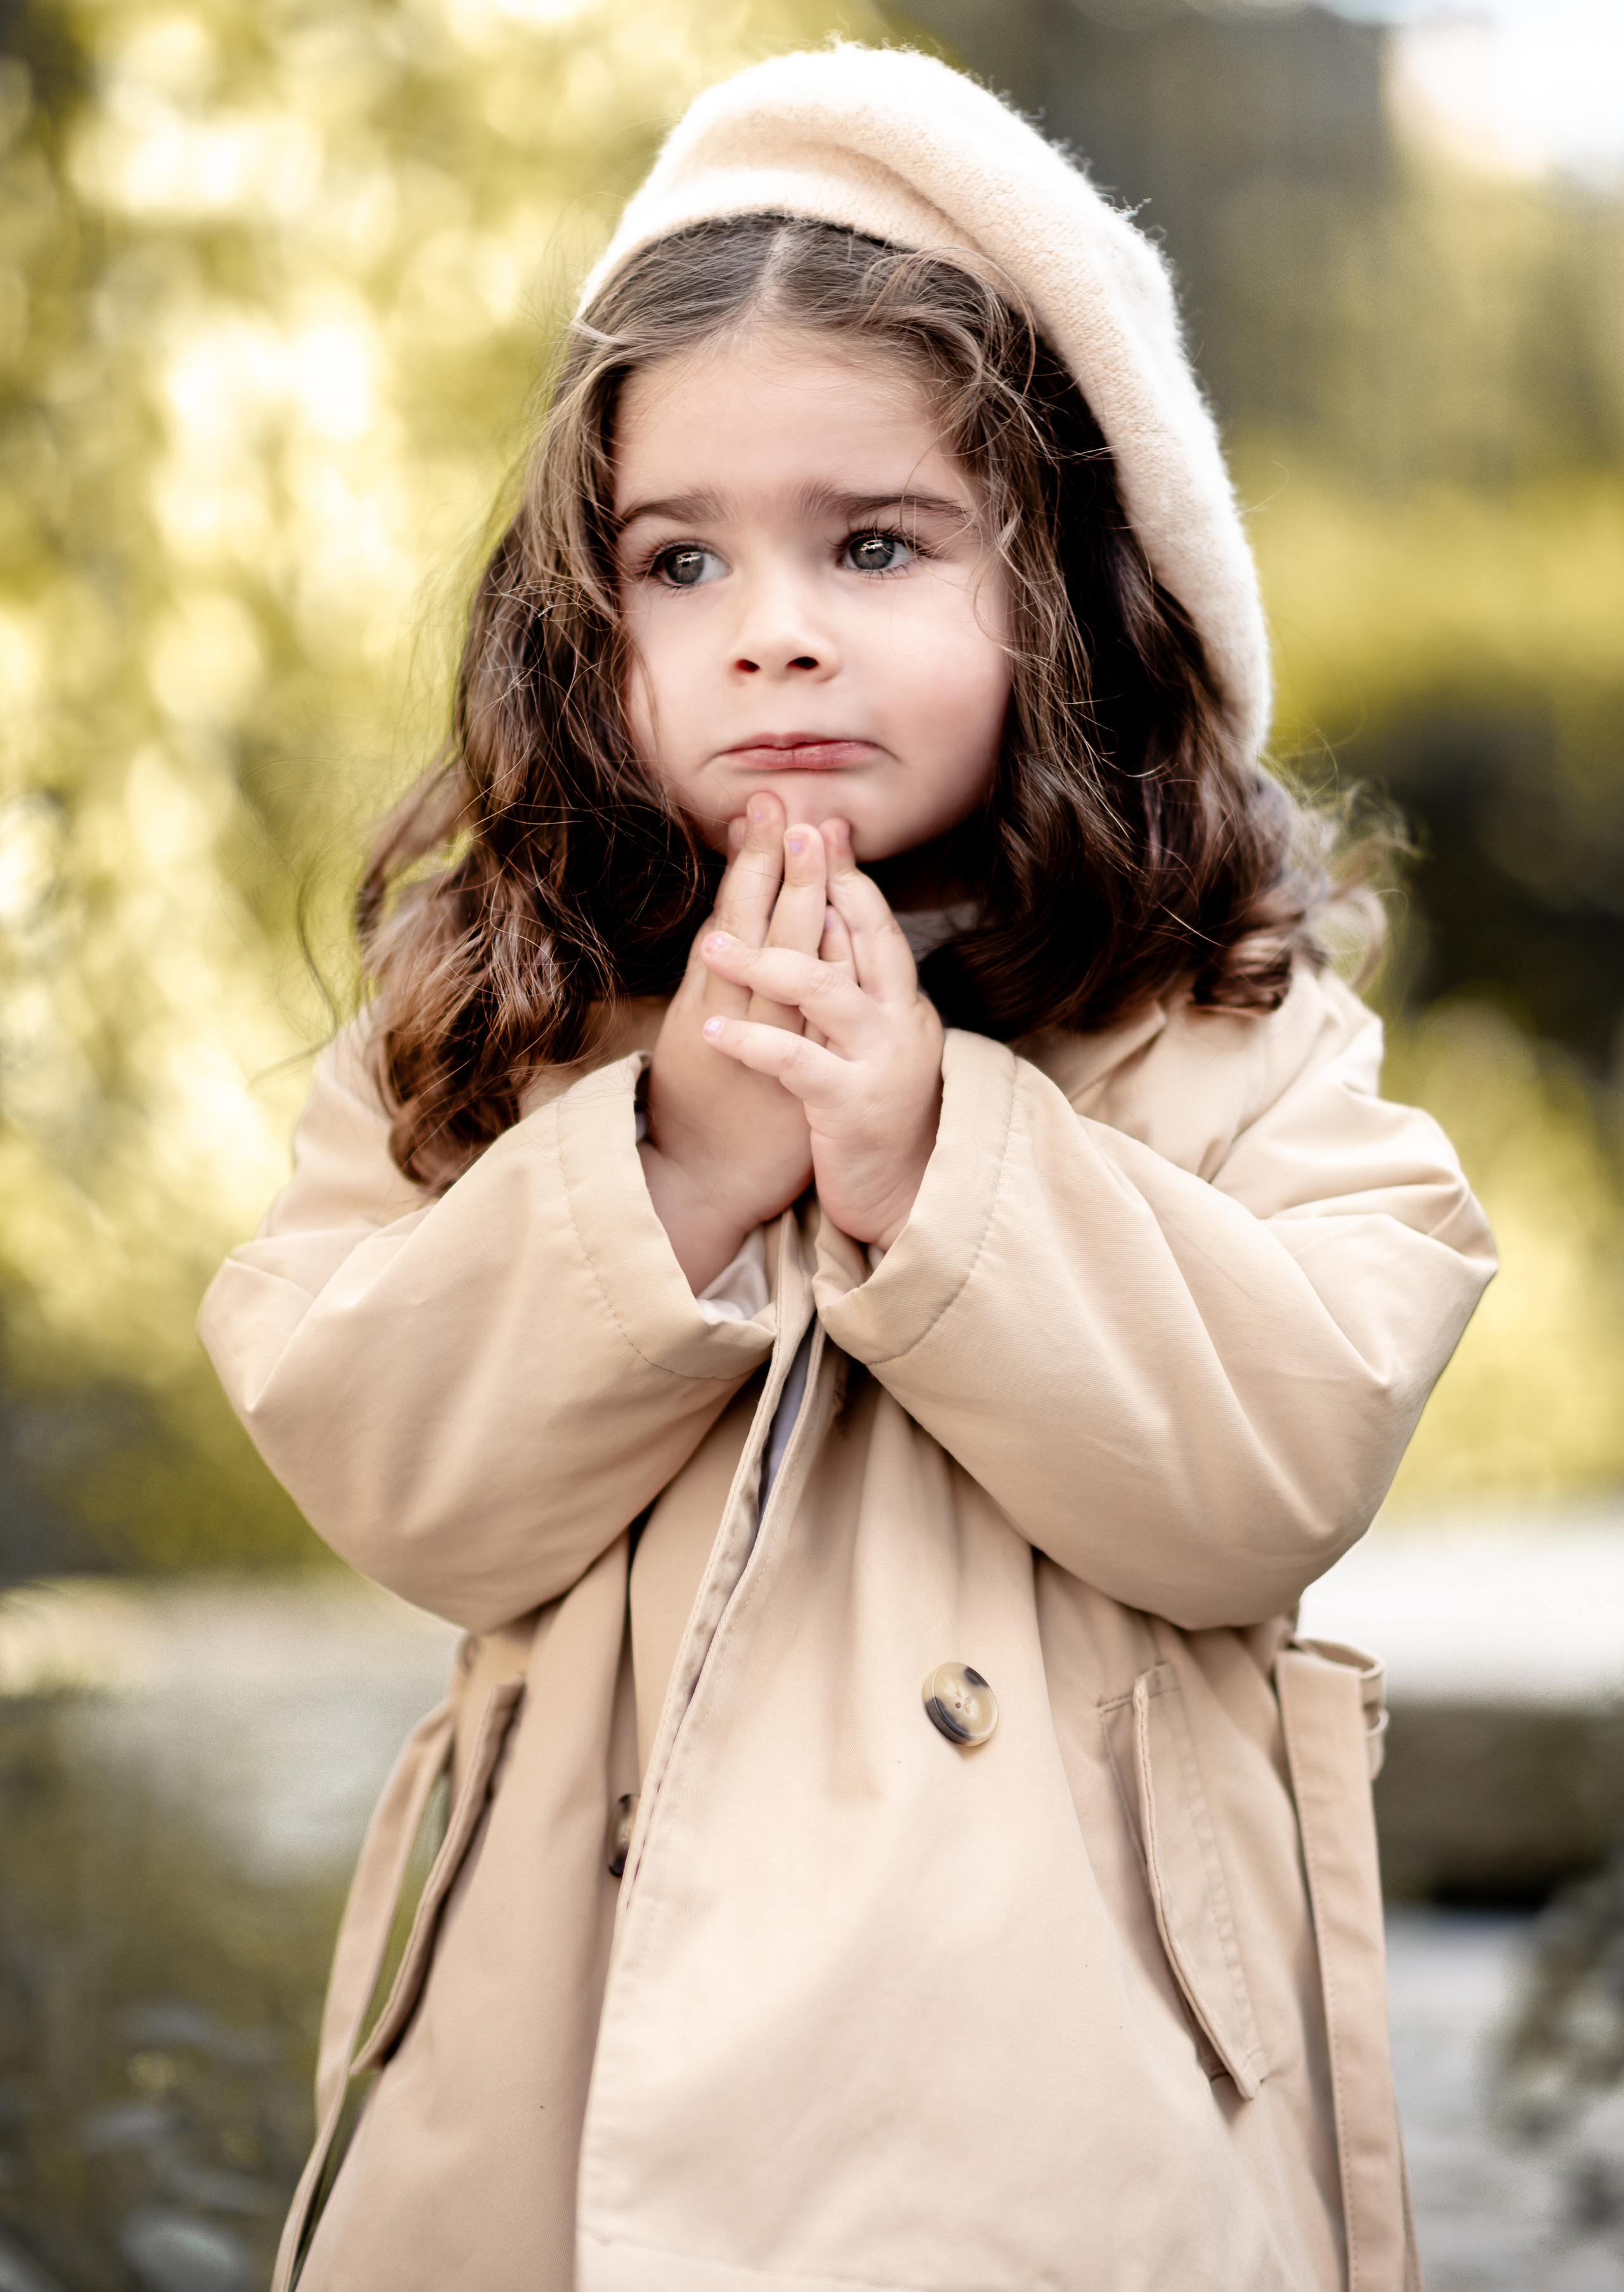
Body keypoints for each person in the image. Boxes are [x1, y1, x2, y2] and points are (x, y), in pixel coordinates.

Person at [200, 44, 1493, 2292]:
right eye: (680, 559)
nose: (770, 625)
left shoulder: (1219, 1022)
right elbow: (397, 1475)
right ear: (589, 628)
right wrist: (677, 1162)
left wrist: (937, 1161)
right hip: (554, 2111)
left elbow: (1282, 1460)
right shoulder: (496, 1029)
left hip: (1060, 2133)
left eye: (876, 543)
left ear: (1071, 592)